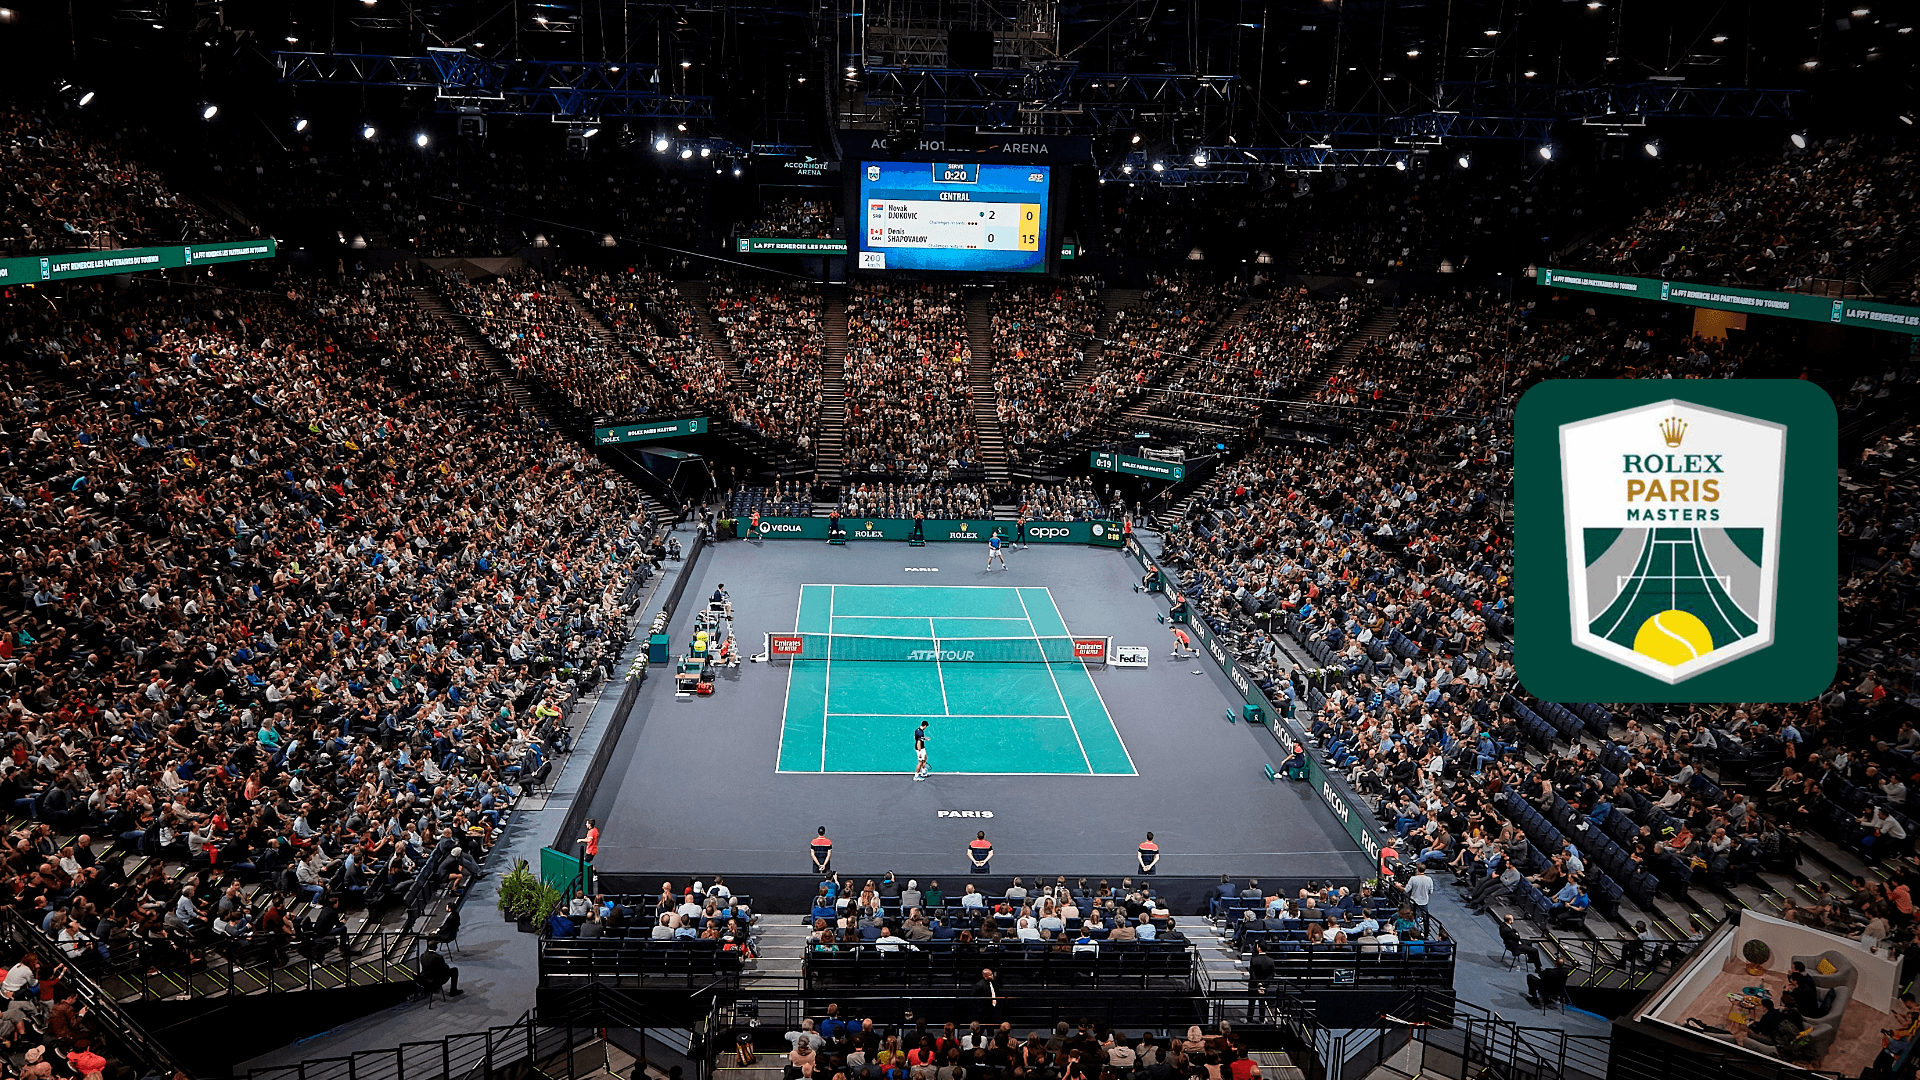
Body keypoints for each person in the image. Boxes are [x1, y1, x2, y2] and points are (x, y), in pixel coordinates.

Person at [1247, 941, 1276, 1020]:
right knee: (1262, 1002)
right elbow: (1271, 975)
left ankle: (1249, 1019)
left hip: (1253, 985)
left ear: (1259, 948)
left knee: (1251, 1002)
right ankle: (1262, 1019)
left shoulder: (1254, 960)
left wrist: (1258, 984)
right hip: (1264, 986)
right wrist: (1263, 984)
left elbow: (1252, 974)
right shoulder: (1271, 961)